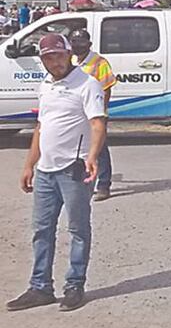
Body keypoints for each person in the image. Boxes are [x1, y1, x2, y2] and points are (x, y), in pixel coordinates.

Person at [7, 34, 105, 313]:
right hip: (46, 171)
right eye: (48, 57)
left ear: (69, 54)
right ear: (42, 60)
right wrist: (29, 165)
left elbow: (98, 124)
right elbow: (41, 127)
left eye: (59, 56)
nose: (55, 62)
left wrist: (92, 157)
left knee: (78, 229)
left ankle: (74, 285)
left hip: (74, 169)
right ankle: (40, 287)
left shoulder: (87, 84)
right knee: (42, 230)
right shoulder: (46, 85)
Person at [68, 29, 117, 202]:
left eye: (81, 42)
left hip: (94, 112)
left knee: (100, 148)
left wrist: (101, 112)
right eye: (74, 42)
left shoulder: (99, 62)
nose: (77, 46)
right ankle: (82, 181)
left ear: (89, 44)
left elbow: (107, 89)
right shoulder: (71, 60)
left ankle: (104, 185)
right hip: (77, 113)